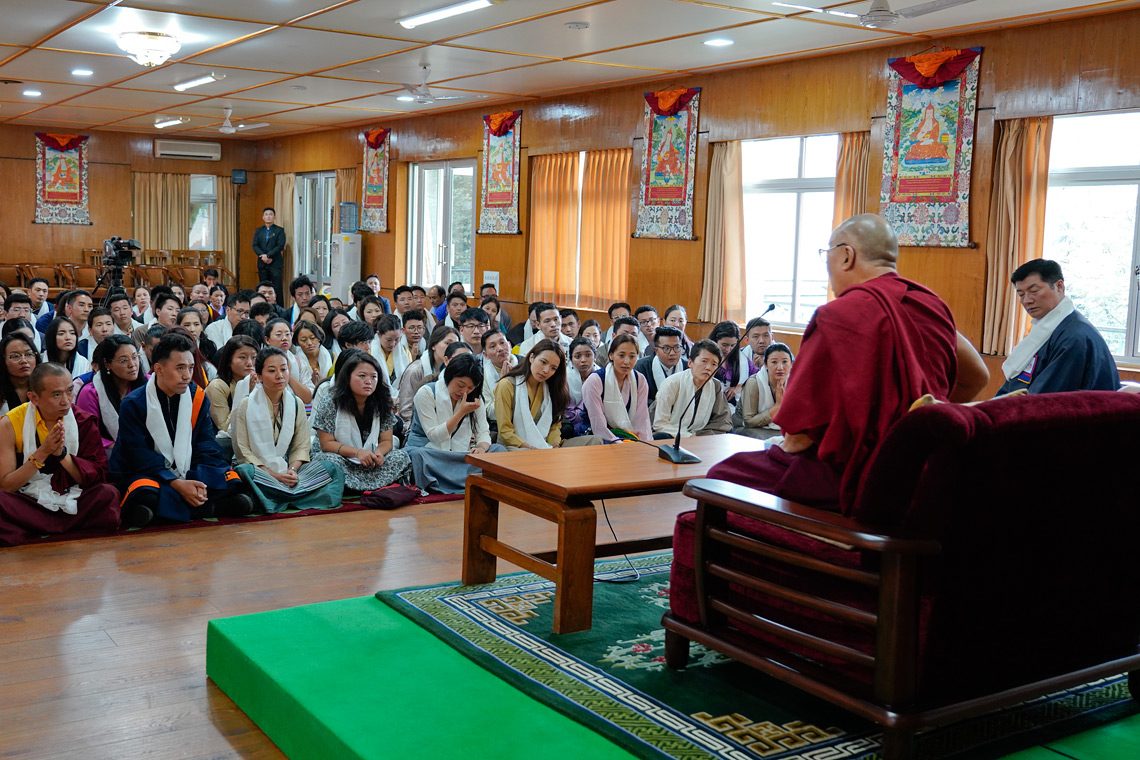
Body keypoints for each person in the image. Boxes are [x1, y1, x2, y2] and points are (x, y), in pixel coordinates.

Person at [707, 213, 988, 509]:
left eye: (826, 254)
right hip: (922, 473)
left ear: (846, 255)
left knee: (721, 476)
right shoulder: (930, 304)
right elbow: (977, 376)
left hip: (855, 478)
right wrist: (920, 427)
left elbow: (798, 438)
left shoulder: (838, 316)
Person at [109, 332, 254, 526]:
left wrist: (197, 480)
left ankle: (172, 508)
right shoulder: (134, 403)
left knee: (231, 479)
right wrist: (175, 482)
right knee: (143, 490)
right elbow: (137, 454)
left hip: (189, 467)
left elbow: (205, 443)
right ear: (159, 369)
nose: (187, 375)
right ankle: (209, 507)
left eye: (190, 367)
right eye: (180, 368)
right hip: (149, 470)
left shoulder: (197, 397)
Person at [0, 363, 121, 546]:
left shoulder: (82, 420)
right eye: (56, 394)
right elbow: (6, 486)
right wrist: (43, 452)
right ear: (34, 398)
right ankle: (68, 526)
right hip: (29, 498)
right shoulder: (10, 423)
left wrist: (62, 455)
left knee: (108, 494)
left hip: (72, 495)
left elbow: (97, 477)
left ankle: (37, 527)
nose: (66, 401)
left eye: (69, 391)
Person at [231, 347, 345, 512]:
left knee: (331, 467)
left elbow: (301, 446)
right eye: (272, 371)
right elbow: (242, 450)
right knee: (245, 471)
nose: (280, 375)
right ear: (260, 376)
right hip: (260, 470)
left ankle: (272, 498)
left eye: (284, 369)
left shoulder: (296, 403)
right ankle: (298, 495)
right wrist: (274, 475)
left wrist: (292, 471)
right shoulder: (245, 405)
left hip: (288, 469)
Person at [997, 259, 1119, 395]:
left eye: (1034, 291)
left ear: (1059, 286)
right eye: (1021, 294)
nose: (1026, 300)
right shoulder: (1046, 329)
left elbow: (1045, 398)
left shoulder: (1073, 336)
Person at [311, 350, 411, 492]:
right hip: (340, 457)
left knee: (401, 456)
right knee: (328, 462)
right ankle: (371, 484)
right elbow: (326, 444)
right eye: (362, 376)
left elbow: (386, 441)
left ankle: (352, 487)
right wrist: (357, 453)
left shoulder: (382, 401)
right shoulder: (330, 401)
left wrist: (378, 454)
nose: (369, 381)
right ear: (348, 377)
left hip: (369, 460)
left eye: (373, 377)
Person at [405, 353, 504, 493]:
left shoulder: (475, 399)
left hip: (461, 455)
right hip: (432, 453)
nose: (464, 391)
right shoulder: (426, 393)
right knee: (418, 456)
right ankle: (467, 481)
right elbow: (434, 436)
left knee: (499, 450)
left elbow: (483, 432)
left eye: (470, 388)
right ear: (449, 376)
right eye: (460, 385)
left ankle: (455, 481)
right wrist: (461, 412)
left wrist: (481, 448)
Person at [75, 335, 145, 452]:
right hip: (108, 451)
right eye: (123, 360)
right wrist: (118, 448)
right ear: (107, 364)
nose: (132, 364)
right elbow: (89, 435)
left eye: (134, 357)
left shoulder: (148, 383)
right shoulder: (90, 393)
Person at [652, 340, 732, 439]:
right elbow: (659, 424)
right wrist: (689, 437)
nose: (708, 367)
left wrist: (701, 436)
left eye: (714, 364)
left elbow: (722, 420)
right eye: (704, 361)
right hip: (672, 435)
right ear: (690, 362)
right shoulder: (672, 383)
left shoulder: (715, 386)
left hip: (700, 436)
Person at [581, 333, 651, 442]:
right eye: (621, 355)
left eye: (632, 356)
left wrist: (644, 444)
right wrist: (617, 442)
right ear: (611, 355)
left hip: (629, 436)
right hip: (595, 436)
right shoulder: (595, 381)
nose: (626, 361)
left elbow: (642, 420)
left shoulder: (640, 380)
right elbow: (598, 425)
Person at [206, 336, 259, 460]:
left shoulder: (259, 381)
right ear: (229, 361)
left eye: (254, 357)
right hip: (226, 446)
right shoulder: (218, 386)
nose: (250, 363)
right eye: (242, 357)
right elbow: (225, 429)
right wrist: (246, 393)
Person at [398, 324, 459, 426]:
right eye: (447, 343)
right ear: (433, 345)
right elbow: (405, 410)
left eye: (456, 345)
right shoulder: (416, 370)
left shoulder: (455, 370)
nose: (452, 349)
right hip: (416, 425)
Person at [736, 342, 795, 440]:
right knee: (770, 441)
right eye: (774, 362)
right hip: (747, 427)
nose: (780, 367)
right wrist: (777, 407)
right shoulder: (754, 382)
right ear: (766, 364)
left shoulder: (794, 383)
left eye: (785, 362)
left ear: (791, 364)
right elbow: (749, 421)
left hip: (780, 428)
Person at [264, 318, 313, 404]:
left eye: (287, 334)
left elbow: (308, 397)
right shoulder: (260, 362)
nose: (284, 338)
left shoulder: (299, 361)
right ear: (267, 340)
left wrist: (288, 375)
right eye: (279, 335)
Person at [633, 325, 687, 403]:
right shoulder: (641, 367)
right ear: (656, 350)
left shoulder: (688, 368)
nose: (672, 353)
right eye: (666, 348)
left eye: (677, 347)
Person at [710, 321, 755, 406]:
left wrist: (740, 387)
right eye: (724, 345)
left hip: (733, 406)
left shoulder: (742, 359)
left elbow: (757, 378)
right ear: (715, 341)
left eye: (732, 345)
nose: (728, 349)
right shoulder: (706, 357)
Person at [480, 329, 517, 429]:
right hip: (499, 425)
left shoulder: (525, 364)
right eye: (493, 346)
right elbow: (490, 413)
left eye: (502, 343)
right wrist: (502, 386)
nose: (500, 348)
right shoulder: (482, 375)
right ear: (485, 355)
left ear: (510, 345)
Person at [0, 334, 39, 414]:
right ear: (3, 361)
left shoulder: (45, 386)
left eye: (29, 354)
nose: (24, 361)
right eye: (15, 356)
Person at [370, 314, 412, 388]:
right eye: (389, 340)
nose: (393, 344)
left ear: (402, 331)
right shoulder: (369, 351)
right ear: (379, 334)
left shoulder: (405, 353)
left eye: (397, 339)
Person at [253, 207, 286, 295]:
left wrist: (268, 255)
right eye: (266, 214)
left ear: (274, 217)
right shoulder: (259, 231)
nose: (268, 216)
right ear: (263, 217)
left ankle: (278, 304)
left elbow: (280, 245)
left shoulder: (279, 230)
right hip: (262, 263)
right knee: (263, 288)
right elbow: (255, 245)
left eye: (271, 214)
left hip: (275, 263)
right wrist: (263, 256)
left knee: (277, 288)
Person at [176, 308, 219, 373]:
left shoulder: (209, 346)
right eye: (187, 325)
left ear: (202, 327)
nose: (192, 329)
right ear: (178, 327)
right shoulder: (174, 347)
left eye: (196, 324)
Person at [293, 320, 333, 389]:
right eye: (303, 340)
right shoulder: (295, 361)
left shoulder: (332, 357)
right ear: (297, 342)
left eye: (312, 338)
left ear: (319, 338)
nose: (309, 343)